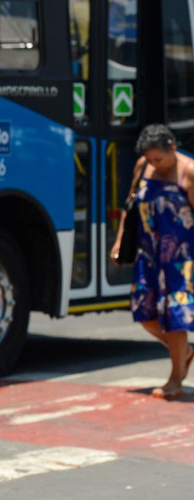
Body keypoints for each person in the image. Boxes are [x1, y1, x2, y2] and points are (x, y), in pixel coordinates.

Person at [111, 123, 194, 399]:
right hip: (149, 255)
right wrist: (120, 241)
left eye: (158, 159)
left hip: (181, 259)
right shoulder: (142, 167)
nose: (153, 164)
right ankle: (184, 352)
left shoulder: (189, 172)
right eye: (149, 159)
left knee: (175, 319)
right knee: (144, 314)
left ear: (172, 147)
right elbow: (130, 206)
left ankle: (175, 380)